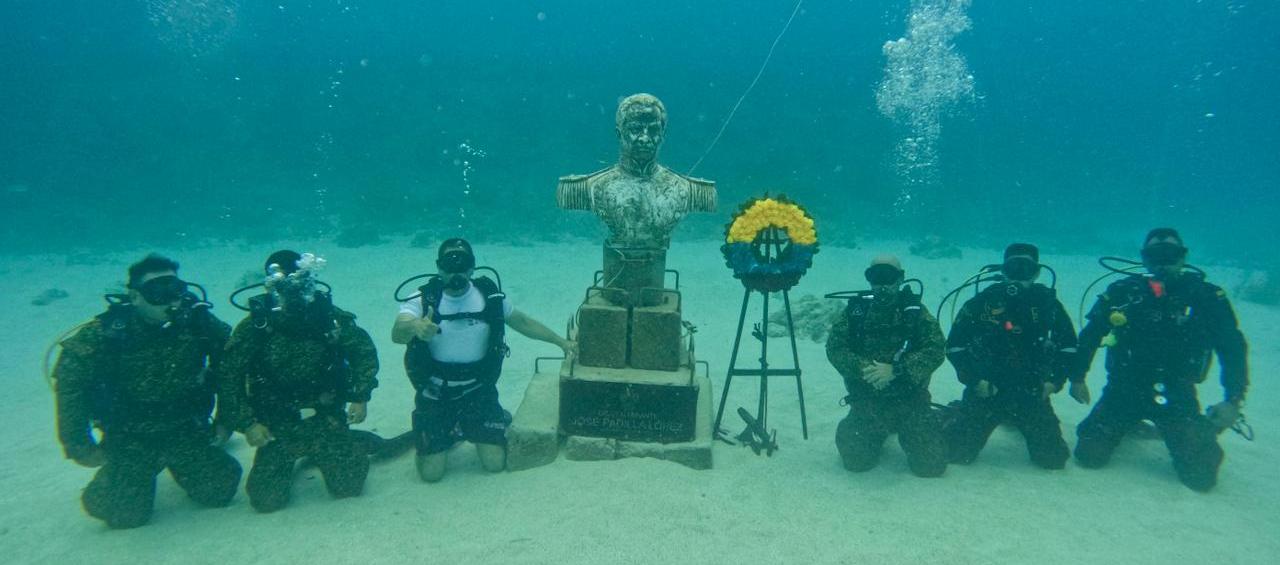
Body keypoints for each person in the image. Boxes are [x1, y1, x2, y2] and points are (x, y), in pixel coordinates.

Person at [52, 254, 240, 529]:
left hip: (184, 427)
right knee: (123, 514)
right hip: (130, 435)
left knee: (220, 489)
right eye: (157, 292)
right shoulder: (108, 332)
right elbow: (70, 380)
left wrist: (227, 420)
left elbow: (231, 365)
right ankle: (125, 474)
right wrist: (78, 442)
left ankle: (175, 461)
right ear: (135, 297)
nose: (171, 300)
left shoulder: (197, 322)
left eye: (175, 290)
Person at [1072, 228, 1248, 492]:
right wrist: (1077, 377)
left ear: (1183, 257)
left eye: (1171, 254)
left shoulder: (1207, 297)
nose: (1163, 261)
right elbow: (1090, 335)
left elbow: (1232, 346)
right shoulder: (1123, 292)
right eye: (1156, 254)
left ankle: (1200, 427)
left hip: (1177, 392)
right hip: (1123, 389)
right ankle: (1128, 423)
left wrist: (1233, 399)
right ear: (1144, 258)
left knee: (1200, 477)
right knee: (1088, 455)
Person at [392, 238, 575, 482]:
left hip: (478, 391)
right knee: (431, 474)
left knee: (495, 464)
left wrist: (561, 342)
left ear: (472, 268)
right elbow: (397, 332)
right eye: (449, 263)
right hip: (435, 394)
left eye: (463, 263)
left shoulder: (489, 296)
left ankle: (481, 421)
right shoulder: (422, 299)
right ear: (439, 267)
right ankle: (450, 431)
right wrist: (415, 326)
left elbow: (522, 322)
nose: (456, 271)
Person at [219, 250, 379, 512]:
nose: (292, 294)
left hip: (325, 417)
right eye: (283, 287)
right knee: (266, 501)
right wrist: (248, 423)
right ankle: (331, 445)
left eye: (300, 285)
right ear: (272, 286)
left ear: (309, 282)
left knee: (349, 487)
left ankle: (349, 441)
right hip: (276, 426)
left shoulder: (330, 318)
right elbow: (229, 376)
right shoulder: (255, 327)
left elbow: (363, 352)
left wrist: (360, 397)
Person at [943, 243, 1082, 469]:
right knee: (956, 454)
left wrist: (1054, 382)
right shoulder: (981, 303)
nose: (1018, 276)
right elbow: (955, 346)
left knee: (1053, 460)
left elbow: (1068, 346)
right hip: (987, 390)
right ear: (1004, 271)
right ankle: (955, 412)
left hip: (1031, 392)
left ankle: (1014, 418)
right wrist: (974, 380)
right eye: (1013, 268)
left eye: (1025, 269)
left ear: (1036, 273)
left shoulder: (1048, 305)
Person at [826, 255, 947, 477]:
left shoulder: (915, 312)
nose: (881, 284)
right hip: (868, 401)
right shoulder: (856, 312)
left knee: (931, 466)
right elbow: (835, 348)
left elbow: (936, 349)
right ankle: (874, 429)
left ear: (900, 279)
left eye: (888, 277)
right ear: (869, 280)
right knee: (855, 462)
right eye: (875, 277)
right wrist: (866, 368)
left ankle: (931, 420)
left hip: (911, 401)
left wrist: (897, 371)